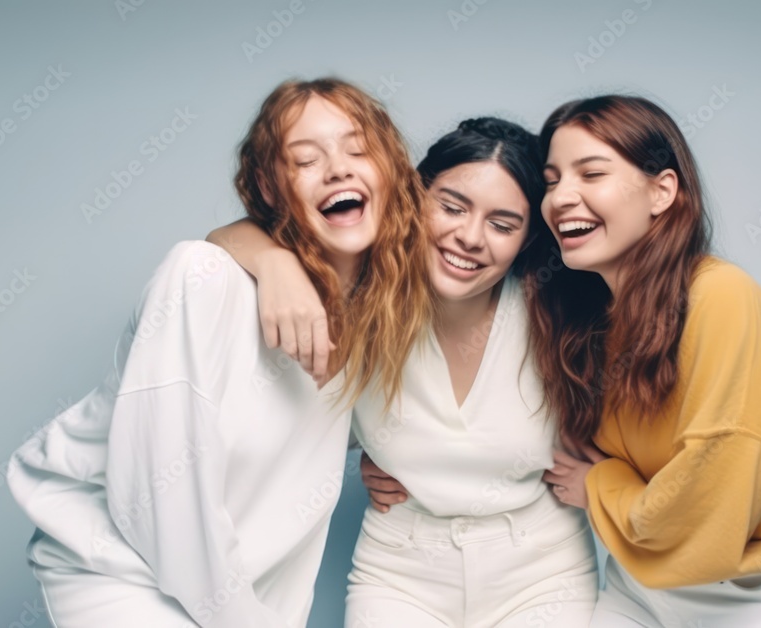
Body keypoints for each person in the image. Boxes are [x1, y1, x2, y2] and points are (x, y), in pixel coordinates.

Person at [6, 77, 435, 627]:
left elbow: (320, 431)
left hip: (240, 592)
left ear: (391, 170)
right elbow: (159, 499)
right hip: (119, 567)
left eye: (358, 150)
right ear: (269, 185)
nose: (338, 169)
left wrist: (392, 459)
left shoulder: (379, 325)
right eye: (305, 160)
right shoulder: (202, 279)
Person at [207, 117, 599, 626]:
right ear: (414, 198)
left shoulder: (559, 311)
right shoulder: (360, 292)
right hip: (401, 572)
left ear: (527, 241)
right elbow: (223, 239)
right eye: (452, 207)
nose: (470, 237)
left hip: (546, 571)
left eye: (503, 225)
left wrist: (608, 484)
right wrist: (277, 265)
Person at [529, 94, 761, 627]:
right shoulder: (585, 318)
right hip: (639, 586)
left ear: (662, 191)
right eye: (553, 179)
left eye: (591, 173)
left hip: (756, 596)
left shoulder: (722, 298)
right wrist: (399, 459)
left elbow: (710, 501)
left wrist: (601, 487)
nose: (561, 197)